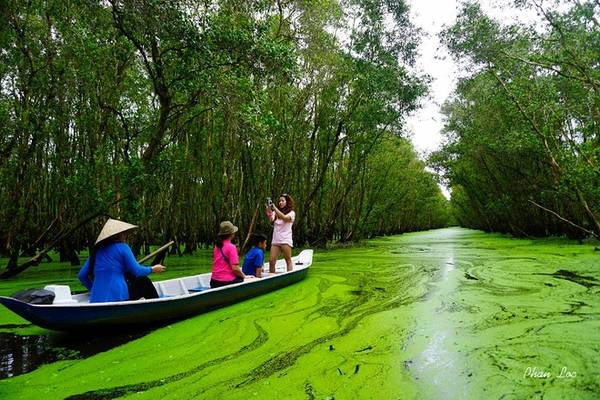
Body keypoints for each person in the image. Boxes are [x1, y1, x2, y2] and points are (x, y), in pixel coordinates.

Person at [78, 218, 166, 303]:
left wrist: (93, 289)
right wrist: (152, 269)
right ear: (119, 235)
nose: (125, 235)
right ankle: (158, 305)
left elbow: (82, 275)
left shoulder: (97, 251)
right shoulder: (122, 247)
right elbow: (138, 271)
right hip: (118, 296)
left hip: (96, 298)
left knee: (129, 275)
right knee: (144, 281)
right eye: (124, 233)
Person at [210, 221, 246, 288]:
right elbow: (235, 268)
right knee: (244, 279)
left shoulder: (216, 246)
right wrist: (245, 277)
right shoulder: (231, 247)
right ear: (232, 234)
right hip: (226, 282)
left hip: (214, 281)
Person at [266, 193, 295, 273]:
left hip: (285, 239)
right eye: (279, 201)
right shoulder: (276, 213)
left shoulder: (291, 213)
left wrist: (275, 208)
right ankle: (271, 278)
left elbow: (284, 218)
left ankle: (289, 276)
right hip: (276, 240)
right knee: (271, 261)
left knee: (288, 260)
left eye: (282, 201)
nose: (280, 203)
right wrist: (268, 209)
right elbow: (271, 219)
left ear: (287, 202)